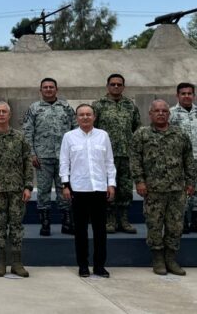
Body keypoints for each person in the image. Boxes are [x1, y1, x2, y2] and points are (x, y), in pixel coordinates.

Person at [130, 99, 196, 276]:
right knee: (154, 225)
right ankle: (158, 259)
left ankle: (171, 259)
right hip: (153, 190)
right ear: (150, 114)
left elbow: (188, 160)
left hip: (177, 190)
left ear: (169, 114)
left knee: (175, 226)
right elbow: (135, 160)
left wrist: (191, 182)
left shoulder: (180, 134)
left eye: (164, 111)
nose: (161, 113)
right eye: (157, 111)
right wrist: (140, 182)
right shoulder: (142, 134)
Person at [0, 102, 33, 277]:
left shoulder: (20, 137)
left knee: (16, 226)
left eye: (4, 112)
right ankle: (0, 262)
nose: (1, 114)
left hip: (17, 190)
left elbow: (28, 163)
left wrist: (28, 186)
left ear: (9, 115)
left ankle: (17, 263)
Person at [60, 104, 115, 278]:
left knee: (100, 231)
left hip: (99, 188)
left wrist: (111, 184)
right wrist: (65, 185)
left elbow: (109, 162)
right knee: (81, 231)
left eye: (88, 114)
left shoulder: (103, 136)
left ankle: (99, 266)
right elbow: (64, 162)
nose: (85, 117)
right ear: (76, 118)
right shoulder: (69, 137)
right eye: (81, 115)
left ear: (94, 116)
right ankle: (83, 265)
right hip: (78, 189)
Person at [22, 78, 76, 236]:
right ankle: (45, 223)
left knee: (64, 190)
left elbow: (75, 129)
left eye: (51, 87)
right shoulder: (34, 108)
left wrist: (74, 154)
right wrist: (32, 153)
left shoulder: (65, 107)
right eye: (45, 87)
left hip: (64, 157)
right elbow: (27, 132)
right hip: (42, 158)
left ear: (56, 89)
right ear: (40, 90)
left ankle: (66, 222)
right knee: (44, 190)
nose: (48, 89)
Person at [92, 73, 140, 234]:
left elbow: (136, 128)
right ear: (107, 86)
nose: (116, 87)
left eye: (119, 84)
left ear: (123, 87)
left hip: (126, 154)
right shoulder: (98, 105)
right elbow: (93, 130)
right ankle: (110, 220)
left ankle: (124, 220)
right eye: (113, 84)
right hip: (106, 155)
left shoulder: (131, 106)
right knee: (107, 187)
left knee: (126, 189)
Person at [169, 82, 197, 234]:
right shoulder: (170, 113)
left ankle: (195, 222)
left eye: (189, 93)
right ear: (177, 95)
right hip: (180, 161)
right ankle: (183, 222)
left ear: (194, 95)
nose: (187, 96)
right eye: (183, 93)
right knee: (183, 194)